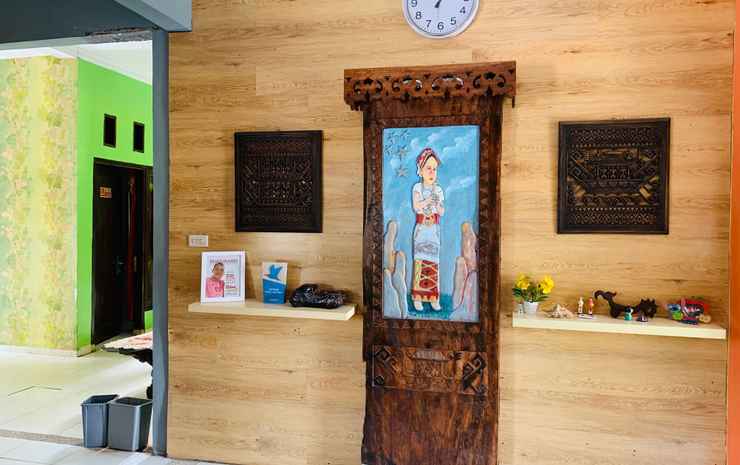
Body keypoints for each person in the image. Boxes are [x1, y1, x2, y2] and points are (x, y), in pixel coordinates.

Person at [411, 147, 445, 311]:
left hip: (434, 230)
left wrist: (437, 204)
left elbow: (442, 211)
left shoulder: (438, 190)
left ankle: (433, 298)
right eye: (428, 168)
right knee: (420, 261)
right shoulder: (417, 188)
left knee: (433, 262)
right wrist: (427, 201)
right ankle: (417, 297)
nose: (432, 172)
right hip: (421, 229)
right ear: (421, 170)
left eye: (434, 169)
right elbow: (416, 206)